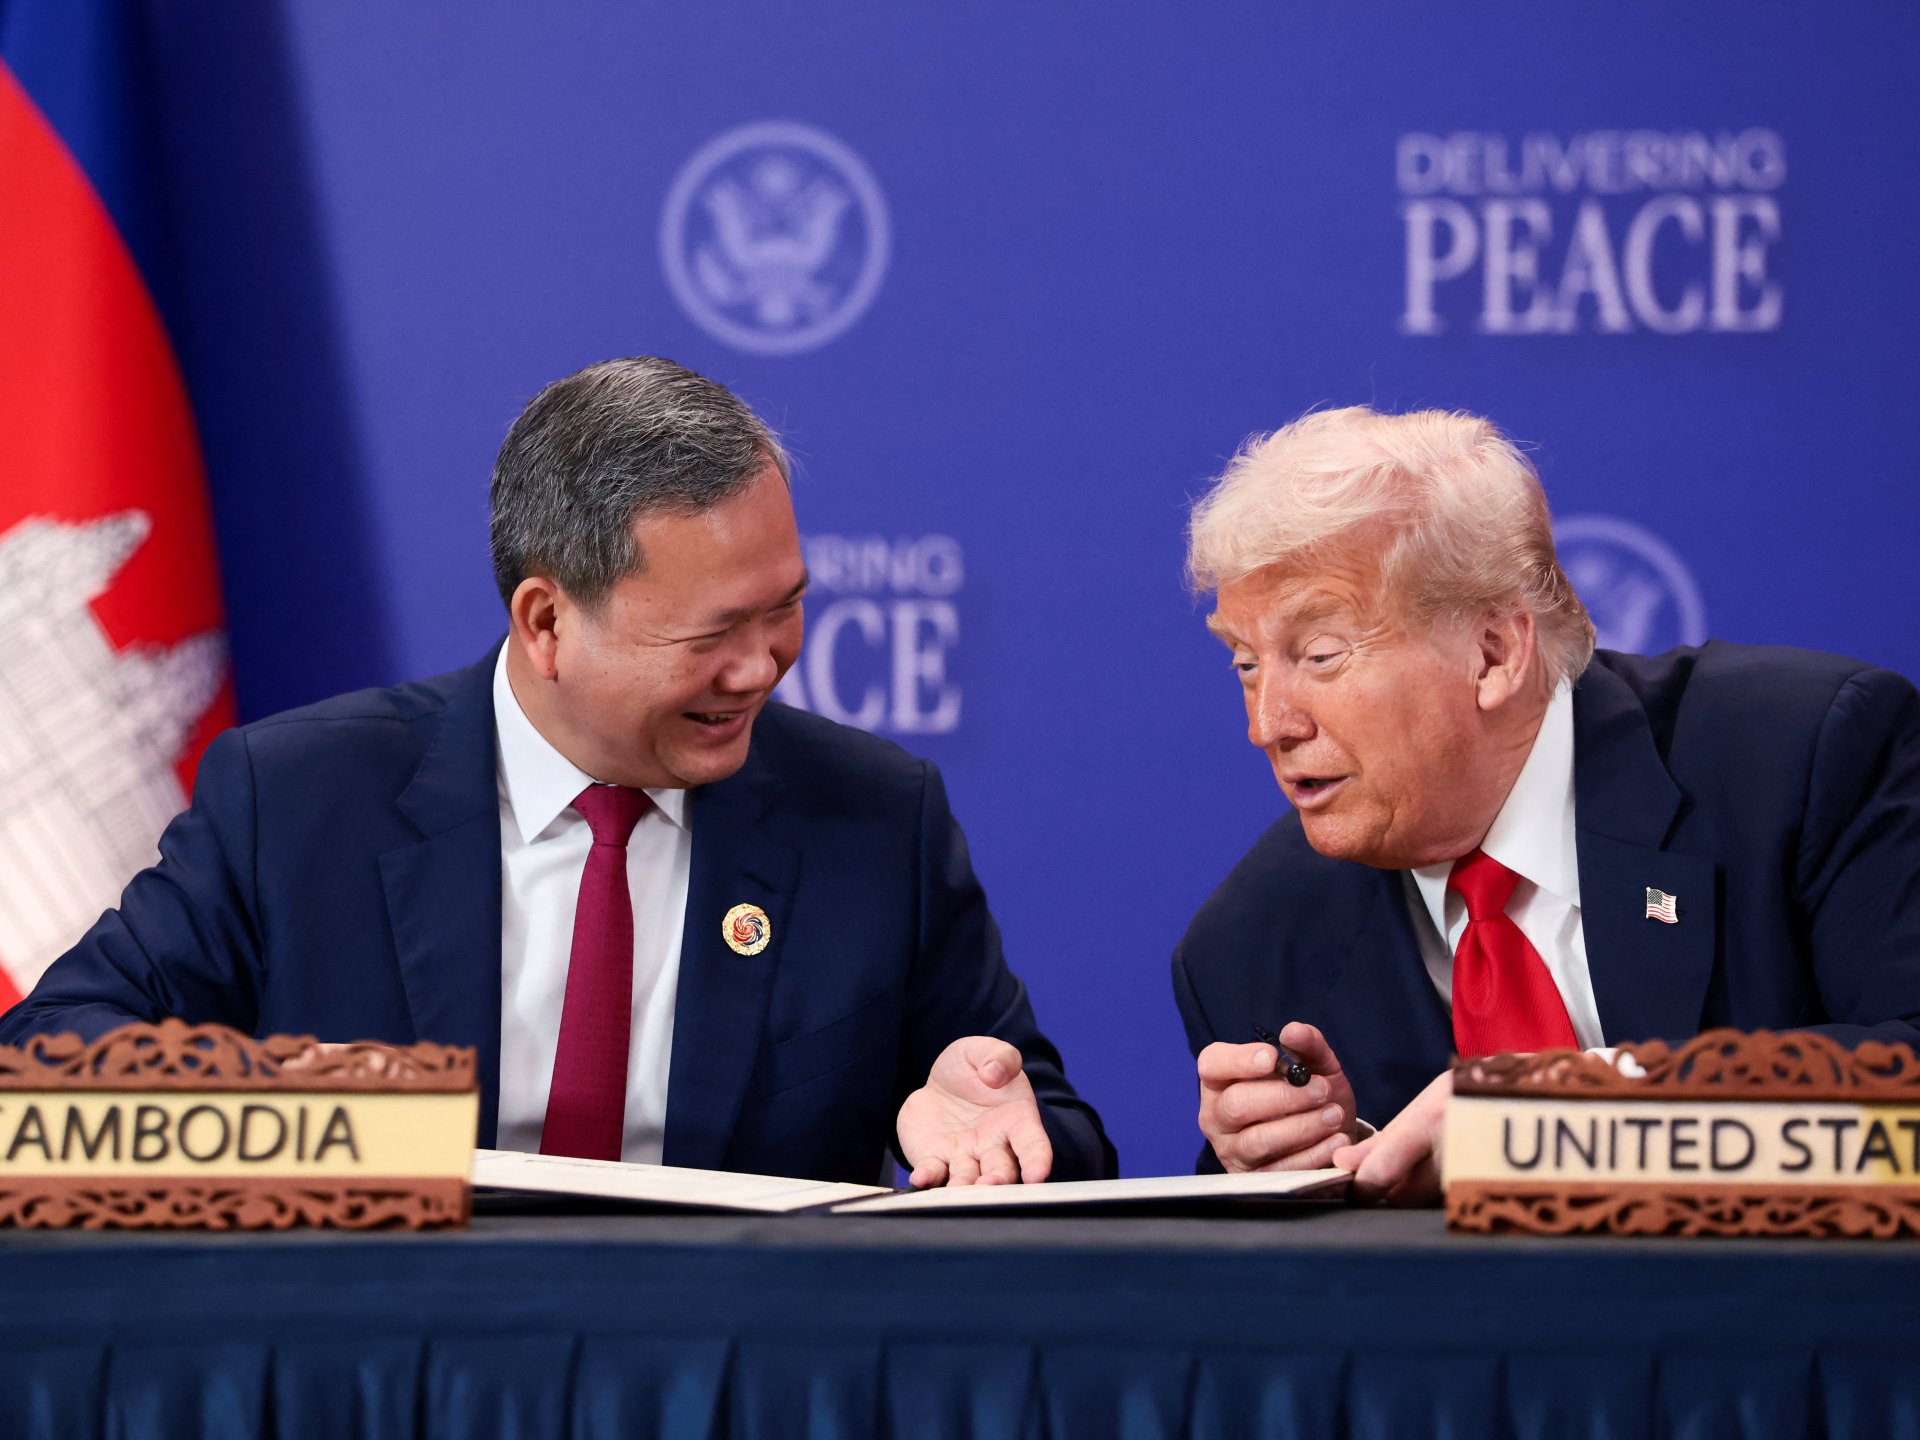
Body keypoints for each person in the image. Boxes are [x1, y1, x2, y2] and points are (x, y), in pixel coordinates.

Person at [1, 357, 1115, 1188]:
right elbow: (48, 1068)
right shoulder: (298, 800)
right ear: (545, 622)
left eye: (784, 607)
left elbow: (1055, 1133)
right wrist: (312, 1117)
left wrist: (996, 1136)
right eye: (712, 633)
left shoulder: (872, 820)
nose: (764, 665)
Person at [1172, 405, 1920, 1204]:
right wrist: (1323, 1166)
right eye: (1246, 665)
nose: (1268, 726)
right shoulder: (1249, 945)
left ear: (1493, 653)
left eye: (1321, 655)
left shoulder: (1804, 758)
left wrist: (1566, 1120)